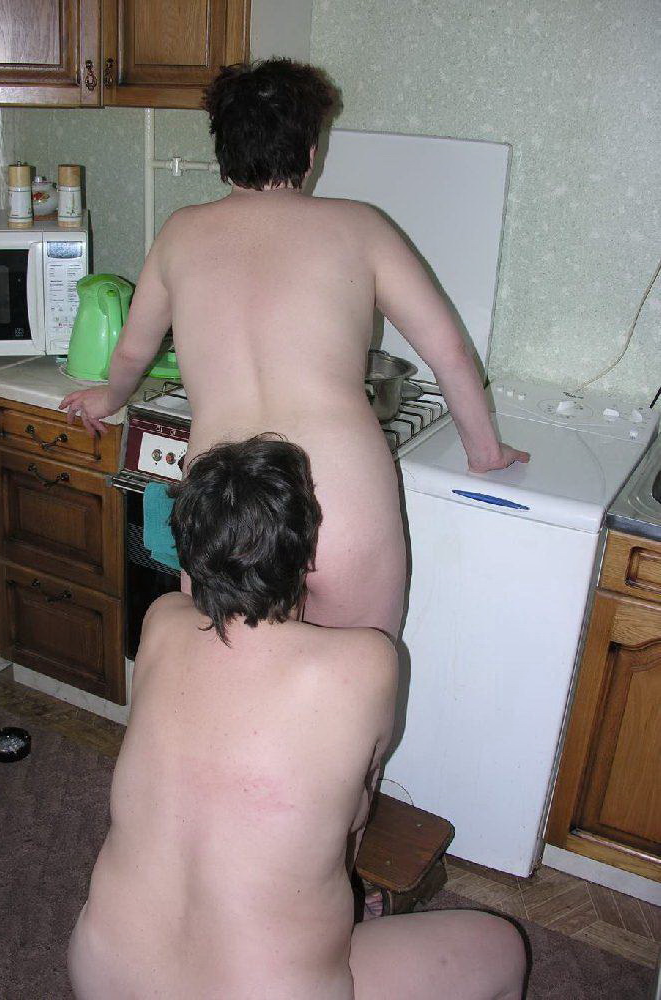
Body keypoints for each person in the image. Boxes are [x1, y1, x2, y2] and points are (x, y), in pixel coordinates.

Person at [60, 58, 529, 638]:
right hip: (342, 503)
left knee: (232, 681)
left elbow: (133, 355)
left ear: (222, 153)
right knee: (356, 679)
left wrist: (109, 398)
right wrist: (484, 451)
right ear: (310, 153)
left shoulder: (179, 232)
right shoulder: (361, 227)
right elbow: (450, 352)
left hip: (225, 508)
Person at [67, 436, 526, 999]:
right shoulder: (369, 660)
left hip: (104, 975)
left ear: (189, 551)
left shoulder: (161, 620)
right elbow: (354, 815)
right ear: (306, 556)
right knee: (503, 947)